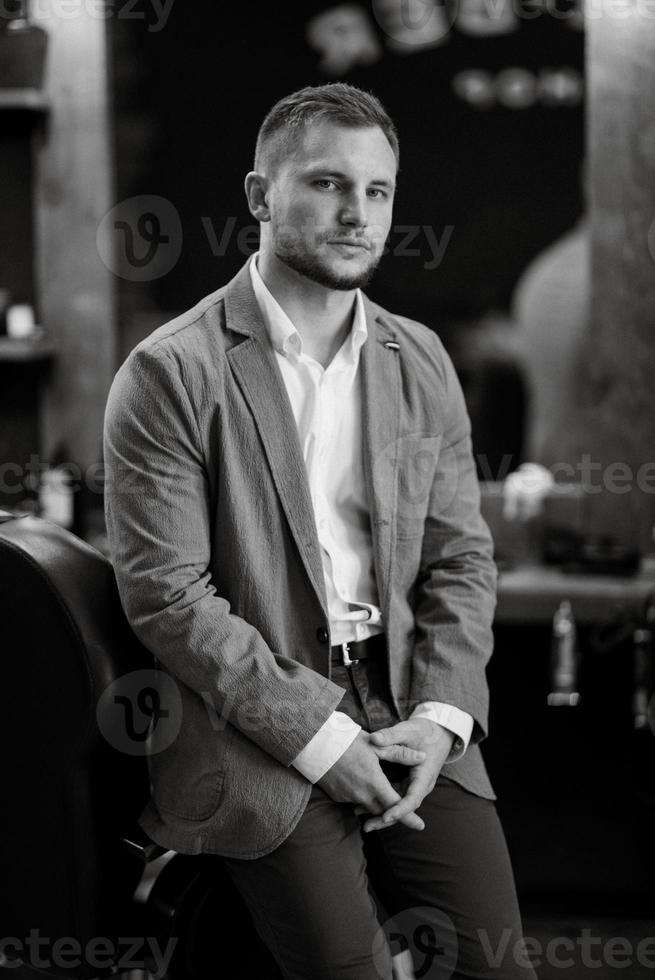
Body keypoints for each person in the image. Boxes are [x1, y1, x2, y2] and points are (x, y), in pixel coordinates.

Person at [103, 83, 536, 980]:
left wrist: (443, 715)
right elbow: (167, 596)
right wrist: (319, 735)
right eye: (328, 185)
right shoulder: (170, 371)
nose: (357, 214)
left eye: (377, 192)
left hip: (409, 699)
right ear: (261, 197)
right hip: (253, 722)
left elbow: (459, 557)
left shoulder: (418, 358)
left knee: (494, 969)